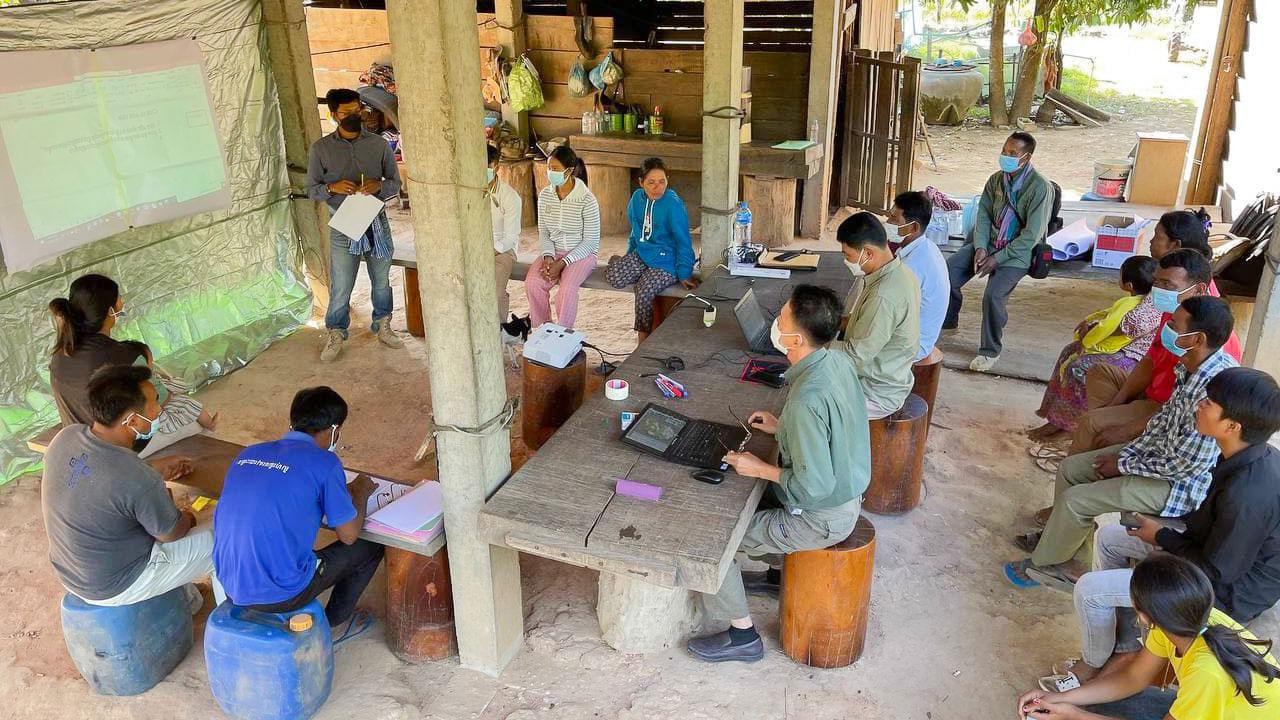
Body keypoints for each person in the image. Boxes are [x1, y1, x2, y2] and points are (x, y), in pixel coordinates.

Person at [1061, 367, 1280, 687]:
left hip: (1226, 593)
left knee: (1089, 592)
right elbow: (1209, 526)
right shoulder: (1245, 453)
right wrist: (1161, 533)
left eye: (1210, 403)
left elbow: (1219, 572)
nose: (1199, 405)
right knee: (1109, 537)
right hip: (1210, 552)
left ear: (1232, 425)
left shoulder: (1246, 494)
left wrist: (1161, 537)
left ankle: (1092, 665)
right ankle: (1124, 647)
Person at [686, 285, 870, 663]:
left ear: (796, 339)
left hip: (821, 516)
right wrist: (781, 426)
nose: (775, 322)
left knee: (713, 543)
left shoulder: (805, 402)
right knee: (738, 493)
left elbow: (812, 486)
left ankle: (743, 636)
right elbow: (831, 427)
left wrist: (762, 468)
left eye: (781, 318)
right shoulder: (835, 360)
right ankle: (774, 577)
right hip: (842, 492)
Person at [1007, 296, 1238, 589]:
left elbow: (1184, 464)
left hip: (1177, 486)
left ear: (1198, 338)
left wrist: (1124, 463)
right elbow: (1161, 423)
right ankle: (1070, 557)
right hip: (1157, 459)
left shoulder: (1214, 388)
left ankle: (1048, 565)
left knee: (1076, 501)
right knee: (1071, 468)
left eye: (1175, 324)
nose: (1166, 327)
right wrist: (1126, 455)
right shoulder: (1190, 366)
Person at [1018, 554, 1280, 720]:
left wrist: (1073, 716)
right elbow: (1133, 677)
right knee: (1107, 704)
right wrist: (1063, 698)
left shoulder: (1206, 674)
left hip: (1214, 697)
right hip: (1213, 705)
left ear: (1143, 616)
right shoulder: (1183, 618)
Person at [41, 365, 211, 613]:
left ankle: (190, 604)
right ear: (132, 421)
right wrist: (188, 516)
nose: (160, 409)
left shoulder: (66, 437)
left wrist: (151, 468)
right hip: (117, 584)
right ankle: (232, 619)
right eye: (154, 403)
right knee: (221, 540)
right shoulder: (136, 477)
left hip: (71, 572)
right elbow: (172, 533)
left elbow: (100, 477)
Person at [213, 386, 384, 629]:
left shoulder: (248, 453)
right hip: (282, 594)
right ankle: (333, 621)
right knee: (371, 545)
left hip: (229, 583)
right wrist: (361, 493)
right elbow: (349, 535)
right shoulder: (325, 462)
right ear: (335, 431)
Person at [1072, 250, 1243, 455]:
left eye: (1167, 285)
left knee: (1090, 423)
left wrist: (1128, 428)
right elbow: (1150, 360)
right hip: (1152, 393)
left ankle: (1091, 457)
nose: (1157, 290)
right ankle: (1109, 445)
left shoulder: (1213, 339)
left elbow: (1182, 411)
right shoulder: (1175, 312)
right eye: (1157, 282)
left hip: (1165, 407)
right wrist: (1115, 403)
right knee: (1099, 372)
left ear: (1198, 289)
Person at [48, 274, 218, 456]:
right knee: (193, 416)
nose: (121, 304)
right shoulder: (127, 355)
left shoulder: (59, 354)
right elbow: (161, 400)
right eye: (118, 301)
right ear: (110, 312)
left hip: (78, 439)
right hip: (113, 449)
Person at [305, 87, 404, 363]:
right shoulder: (321, 149)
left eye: (357, 110)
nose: (354, 116)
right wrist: (332, 187)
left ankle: (383, 324)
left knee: (381, 279)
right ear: (334, 115)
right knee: (342, 283)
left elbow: (395, 183)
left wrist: (379, 186)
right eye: (346, 113)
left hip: (376, 222)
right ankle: (336, 332)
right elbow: (311, 189)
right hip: (343, 224)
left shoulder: (378, 145)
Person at [942, 131, 1054, 372]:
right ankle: (948, 321)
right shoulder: (996, 180)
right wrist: (981, 247)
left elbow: (1031, 235)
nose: (1006, 156)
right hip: (990, 242)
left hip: (1017, 253)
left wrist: (998, 258)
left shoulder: (1040, 188)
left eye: (1013, 153)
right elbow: (983, 216)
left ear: (1026, 157)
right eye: (1004, 151)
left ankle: (990, 350)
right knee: (947, 274)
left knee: (993, 296)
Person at [1028, 256, 1162, 442]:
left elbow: (1122, 326)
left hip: (1134, 356)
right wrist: (1090, 324)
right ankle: (1055, 416)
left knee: (1079, 367)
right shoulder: (1144, 295)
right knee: (1068, 352)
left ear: (1129, 284)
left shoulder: (1159, 296)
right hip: (1121, 348)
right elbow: (1110, 317)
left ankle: (1069, 426)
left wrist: (1088, 339)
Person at [835, 212, 921, 419]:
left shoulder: (883, 296)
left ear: (868, 253)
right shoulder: (897, 272)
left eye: (848, 255)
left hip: (875, 393)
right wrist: (830, 322)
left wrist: (808, 346)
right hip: (887, 375)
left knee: (807, 403)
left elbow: (854, 358)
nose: (846, 261)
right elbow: (864, 324)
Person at [605, 157, 697, 341]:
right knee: (613, 277)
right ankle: (630, 265)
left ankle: (643, 339)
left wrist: (684, 271)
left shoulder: (673, 204)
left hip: (667, 261)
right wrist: (629, 256)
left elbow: (684, 240)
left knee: (644, 289)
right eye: (651, 182)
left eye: (662, 182)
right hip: (643, 253)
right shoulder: (636, 200)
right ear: (641, 183)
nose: (658, 187)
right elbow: (635, 232)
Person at [525, 145, 600, 330]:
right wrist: (549, 257)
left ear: (570, 170)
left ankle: (563, 333)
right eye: (549, 168)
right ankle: (544, 329)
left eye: (556, 169)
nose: (550, 173)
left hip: (582, 255)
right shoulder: (545, 196)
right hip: (554, 252)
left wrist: (563, 263)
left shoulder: (587, 200)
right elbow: (544, 232)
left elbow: (590, 242)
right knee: (533, 283)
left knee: (566, 290)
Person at [887, 191, 950, 364]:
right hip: (918, 336)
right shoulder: (925, 247)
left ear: (913, 228)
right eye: (889, 217)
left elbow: (888, 315)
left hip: (911, 346)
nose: (888, 223)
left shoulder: (912, 266)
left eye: (894, 220)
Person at [486, 143, 522, 324]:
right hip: (474, 247)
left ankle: (497, 333)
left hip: (502, 250)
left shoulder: (510, 197)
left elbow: (510, 238)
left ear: (496, 167)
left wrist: (490, 248)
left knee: (495, 289)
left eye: (485, 167)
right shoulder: (468, 192)